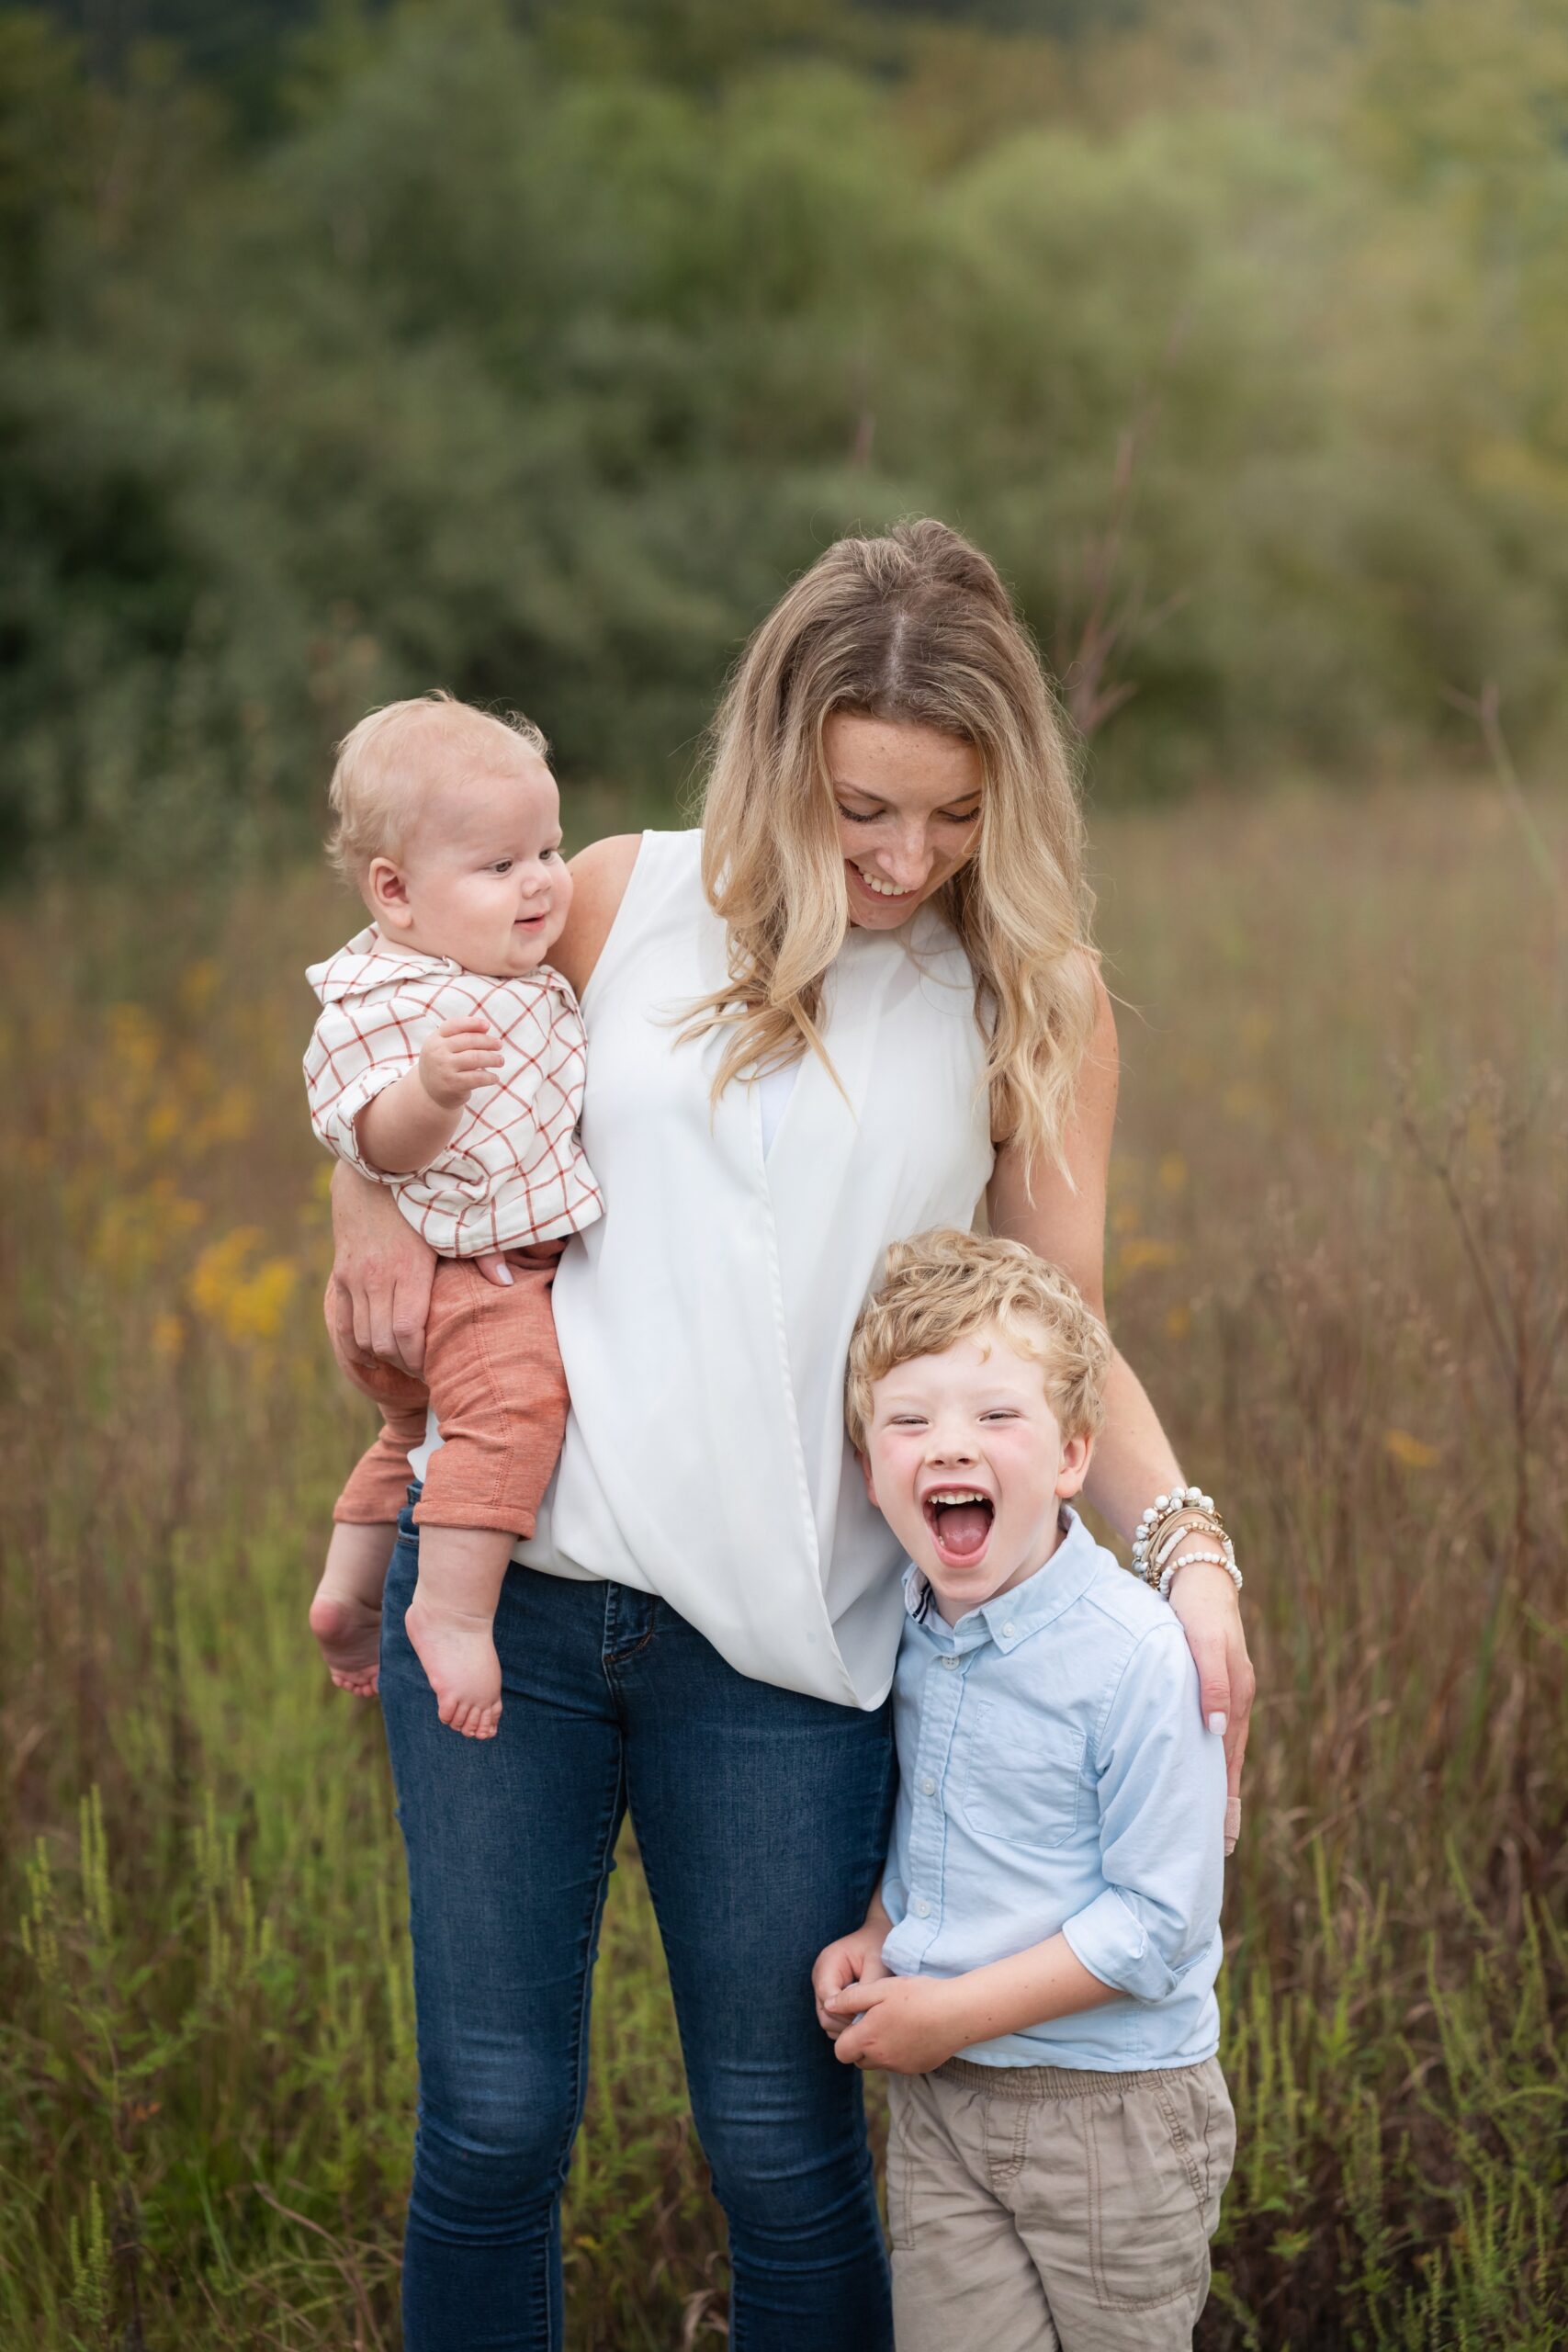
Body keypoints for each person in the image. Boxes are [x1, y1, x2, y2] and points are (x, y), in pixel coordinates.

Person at [327, 519, 1255, 2352]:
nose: (905, 859)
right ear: (773, 753)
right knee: (494, 2120)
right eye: (861, 807)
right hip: (519, 1592)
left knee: (777, 2141)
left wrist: (1191, 1547)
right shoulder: (603, 896)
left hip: (792, 1647)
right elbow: (391, 1055)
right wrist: (359, 1205)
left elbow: (1058, 1337)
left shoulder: (1028, 995)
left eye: (954, 814)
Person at [814, 1228, 1234, 2351]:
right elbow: (944, 1826)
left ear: (1071, 1458)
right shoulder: (907, 1623)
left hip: (1116, 2116)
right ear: (870, 1470)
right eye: (910, 1421)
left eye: (997, 1416)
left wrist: (944, 2010)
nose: (950, 1444)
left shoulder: (1137, 1655)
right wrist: (883, 1928)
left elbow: (1158, 1923)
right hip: (945, 2103)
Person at [305, 693, 601, 1738]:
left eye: (549, 849)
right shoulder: (393, 1000)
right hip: (465, 1287)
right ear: (394, 892)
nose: (540, 882)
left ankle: (347, 1592)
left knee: (411, 1432)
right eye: (499, 865)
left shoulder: (501, 966)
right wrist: (429, 1093)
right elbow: (367, 1139)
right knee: (511, 1413)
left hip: (433, 1308)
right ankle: (452, 1608)